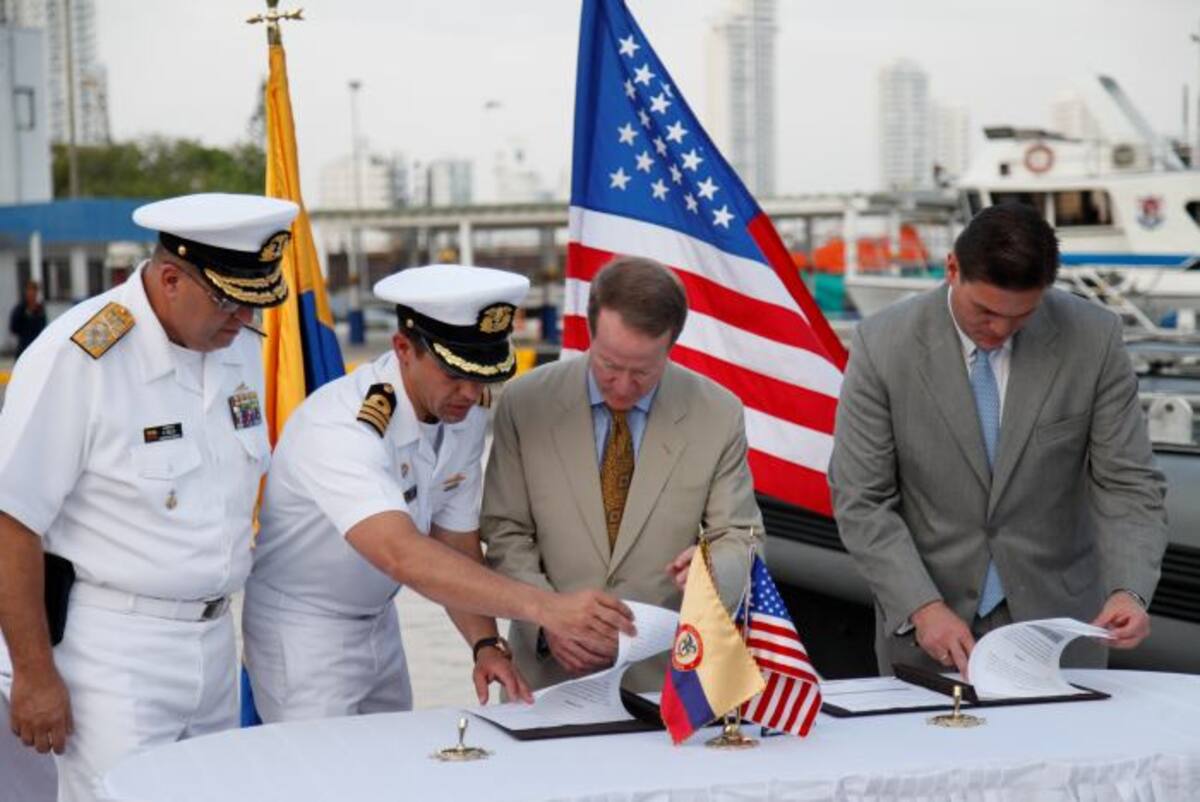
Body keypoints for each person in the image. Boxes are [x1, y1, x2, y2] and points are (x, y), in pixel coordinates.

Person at [0, 192, 299, 802]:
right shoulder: (80, 358)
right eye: (230, 302)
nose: (244, 320)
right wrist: (33, 673)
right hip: (112, 652)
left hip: (214, 640)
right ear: (170, 279)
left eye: (253, 304)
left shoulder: (235, 346)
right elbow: (11, 523)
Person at [242, 263, 634, 722]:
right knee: (320, 782)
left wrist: (485, 644)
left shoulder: (459, 414)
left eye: (483, 375)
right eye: (455, 373)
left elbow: (455, 543)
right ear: (404, 348)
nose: (470, 393)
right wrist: (548, 608)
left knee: (389, 774)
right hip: (304, 629)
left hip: (380, 621)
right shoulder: (341, 426)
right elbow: (402, 554)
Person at [829, 202, 1168, 677]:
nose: (1001, 329)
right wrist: (921, 606)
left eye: (1022, 315)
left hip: (1062, 626)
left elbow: (1128, 482)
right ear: (952, 269)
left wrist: (1129, 590)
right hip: (928, 628)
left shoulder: (1095, 338)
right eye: (985, 311)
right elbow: (861, 498)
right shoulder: (881, 344)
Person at [481, 255, 762, 692]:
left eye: (643, 373)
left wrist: (711, 569)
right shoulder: (524, 402)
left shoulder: (718, 413)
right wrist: (548, 616)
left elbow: (740, 536)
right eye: (609, 366)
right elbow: (505, 531)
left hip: (668, 682)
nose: (624, 386)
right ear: (590, 332)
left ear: (671, 347)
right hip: (545, 681)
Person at [9, 279, 47, 357]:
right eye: (29, 290)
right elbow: (13, 328)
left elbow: (43, 327)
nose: (32, 293)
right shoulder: (20, 309)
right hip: (23, 348)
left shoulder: (40, 309)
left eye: (34, 291)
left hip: (37, 348)